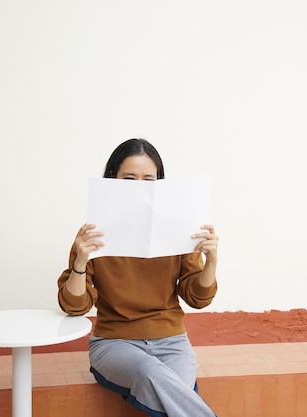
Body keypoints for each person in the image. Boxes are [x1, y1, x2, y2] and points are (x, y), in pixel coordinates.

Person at [57, 138, 219, 417]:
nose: (139, 187)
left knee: (173, 393)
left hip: (172, 342)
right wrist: (81, 262)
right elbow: (74, 305)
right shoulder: (93, 232)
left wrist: (211, 261)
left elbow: (198, 298)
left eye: (148, 179)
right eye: (129, 178)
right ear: (112, 180)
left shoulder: (178, 227)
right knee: (153, 373)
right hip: (114, 344)